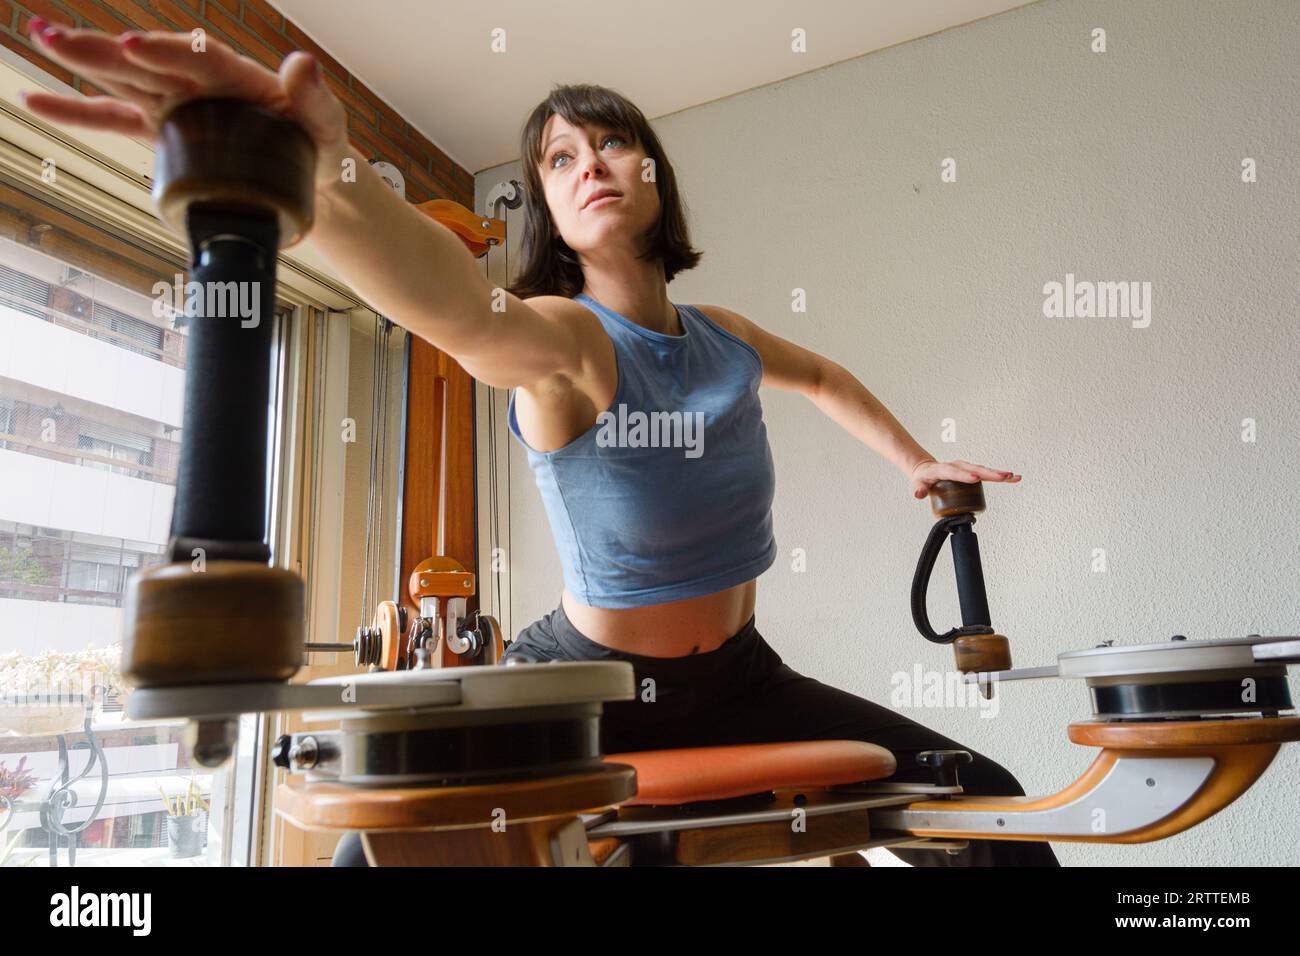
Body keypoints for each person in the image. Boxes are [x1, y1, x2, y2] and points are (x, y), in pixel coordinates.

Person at [21, 24, 1058, 867]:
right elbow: (462, 312)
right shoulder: (565, 337)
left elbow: (823, 376)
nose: (587, 163)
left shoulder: (728, 337)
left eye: (606, 142)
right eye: (558, 157)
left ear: (651, 171)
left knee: (996, 814)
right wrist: (326, 169)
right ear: (552, 212)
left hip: (744, 679)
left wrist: (916, 459)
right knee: (385, 845)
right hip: (588, 687)